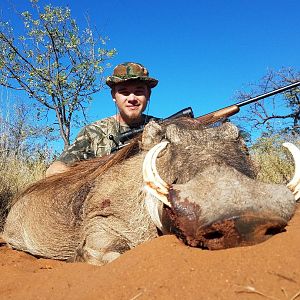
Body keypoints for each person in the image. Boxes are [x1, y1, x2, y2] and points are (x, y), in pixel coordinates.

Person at [46, 62, 158, 177]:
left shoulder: (163, 127)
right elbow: (55, 170)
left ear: (148, 95)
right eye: (124, 92)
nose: (132, 98)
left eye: (139, 92)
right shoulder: (93, 132)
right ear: (113, 96)